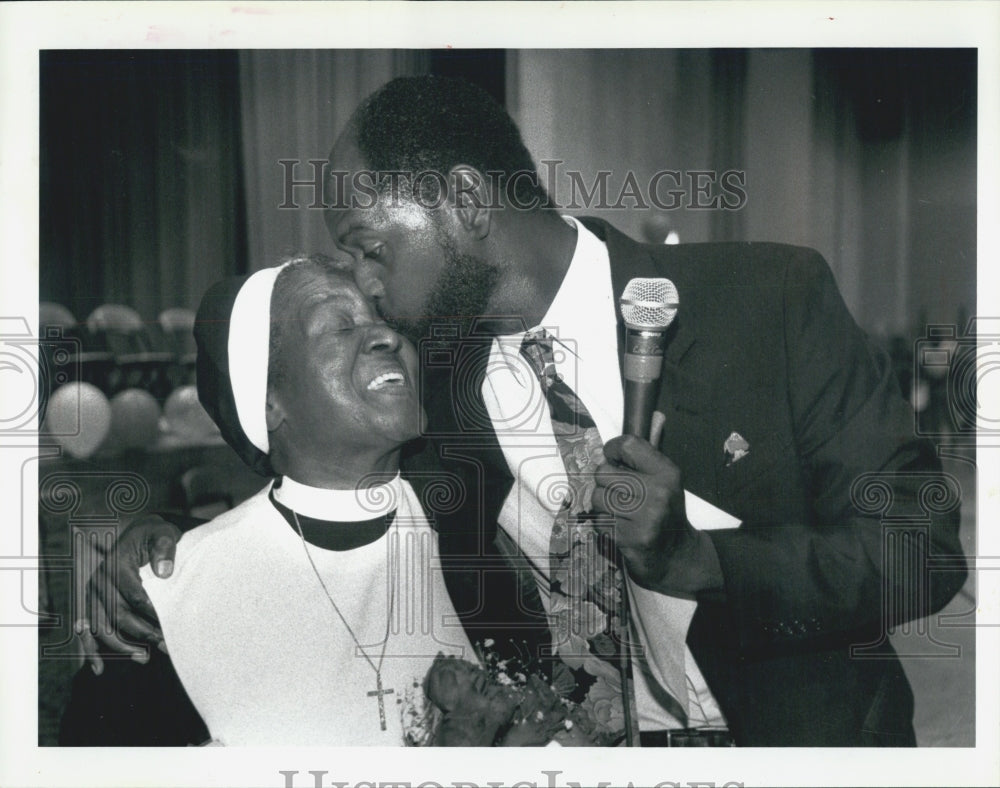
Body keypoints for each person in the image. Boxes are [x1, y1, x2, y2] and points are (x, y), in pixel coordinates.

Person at [85, 76, 966, 746]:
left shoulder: (767, 300)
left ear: (464, 204)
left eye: (370, 247)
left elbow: (921, 550)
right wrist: (158, 545)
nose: (364, 283)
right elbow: (305, 458)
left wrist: (703, 560)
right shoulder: (433, 381)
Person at [63, 254, 542, 746]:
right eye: (339, 327)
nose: (388, 338)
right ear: (269, 401)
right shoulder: (161, 602)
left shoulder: (484, 522)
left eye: (384, 321)